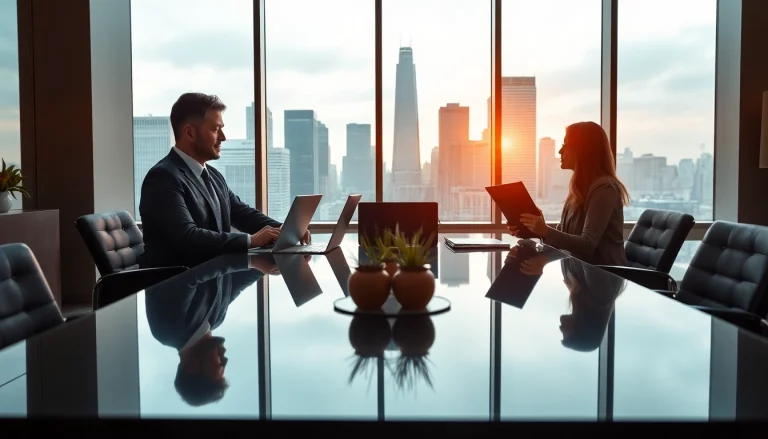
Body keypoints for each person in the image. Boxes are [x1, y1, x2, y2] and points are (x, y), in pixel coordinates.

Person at [139, 93, 309, 269]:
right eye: (215, 129)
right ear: (189, 133)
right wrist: (251, 240)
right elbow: (187, 238)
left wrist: (285, 230)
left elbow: (242, 213)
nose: (223, 137)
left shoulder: (213, 175)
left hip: (212, 279)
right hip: (176, 287)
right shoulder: (162, 177)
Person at [508, 121, 629, 266]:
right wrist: (533, 229)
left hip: (605, 279)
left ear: (583, 150)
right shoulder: (579, 189)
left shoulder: (605, 189)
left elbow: (587, 245)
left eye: (565, 145)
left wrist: (545, 231)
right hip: (579, 275)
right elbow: (564, 237)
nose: (560, 151)